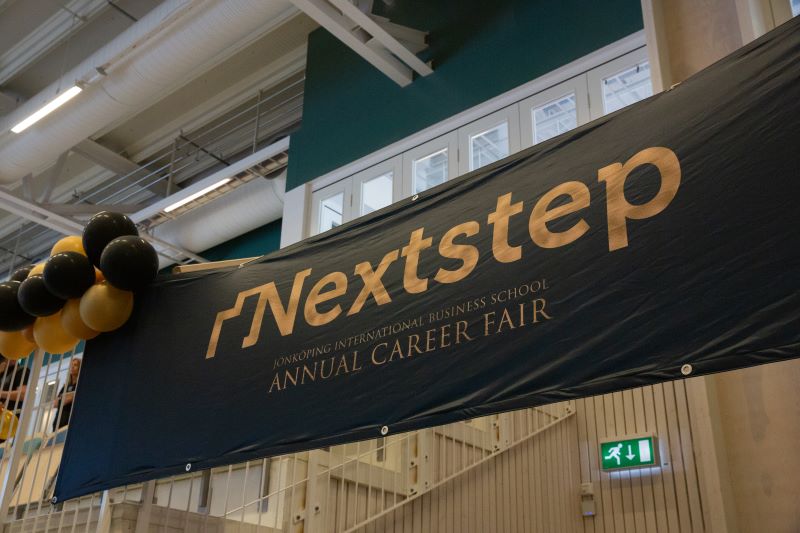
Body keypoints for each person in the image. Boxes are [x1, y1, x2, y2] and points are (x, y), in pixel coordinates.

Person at [52, 357, 81, 432]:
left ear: (80, 368)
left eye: (75, 365)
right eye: (71, 365)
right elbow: (55, 404)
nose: (72, 367)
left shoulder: (79, 385)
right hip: (58, 421)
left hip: (69, 421)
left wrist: (63, 398)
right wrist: (70, 397)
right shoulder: (65, 386)